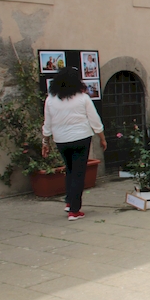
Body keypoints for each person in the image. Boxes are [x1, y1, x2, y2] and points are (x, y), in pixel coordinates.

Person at [41, 67, 107, 221]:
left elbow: (47, 124)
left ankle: (69, 201)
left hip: (61, 140)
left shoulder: (50, 99)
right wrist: (102, 137)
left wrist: (45, 141)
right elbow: (95, 120)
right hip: (81, 138)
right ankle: (74, 210)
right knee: (78, 172)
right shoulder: (83, 98)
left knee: (70, 169)